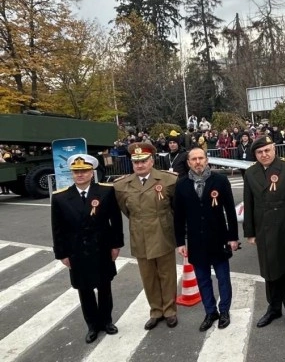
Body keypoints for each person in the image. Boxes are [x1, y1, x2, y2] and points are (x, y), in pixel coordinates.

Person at [51, 154, 124, 344]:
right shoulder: (60, 197)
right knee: (84, 290)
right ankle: (92, 325)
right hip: (77, 250)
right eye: (76, 172)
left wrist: (116, 245)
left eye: (84, 171)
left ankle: (106, 321)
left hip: (101, 247)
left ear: (92, 173)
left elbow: (115, 221)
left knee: (104, 286)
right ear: (72, 174)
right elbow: (57, 229)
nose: (80, 175)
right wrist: (62, 254)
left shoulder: (106, 192)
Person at [243, 136, 285, 330]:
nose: (264, 154)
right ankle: (273, 308)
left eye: (267, 150)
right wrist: (250, 232)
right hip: (264, 229)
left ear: (274, 149)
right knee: (269, 272)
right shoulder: (251, 173)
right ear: (255, 154)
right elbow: (249, 203)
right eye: (260, 152)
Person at [114, 142, 180, 330]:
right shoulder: (121, 185)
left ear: (152, 161)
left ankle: (169, 310)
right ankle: (156, 311)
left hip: (163, 232)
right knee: (148, 276)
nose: (140, 165)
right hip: (140, 234)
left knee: (167, 274)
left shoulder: (169, 180)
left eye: (143, 161)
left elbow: (176, 208)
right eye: (136, 162)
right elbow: (126, 210)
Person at [173, 147, 239, 332]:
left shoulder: (220, 180)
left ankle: (224, 310)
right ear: (188, 163)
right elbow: (178, 217)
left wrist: (233, 237)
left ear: (207, 159)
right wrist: (179, 242)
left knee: (223, 278)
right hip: (196, 241)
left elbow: (230, 211)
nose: (197, 162)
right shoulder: (182, 184)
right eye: (193, 159)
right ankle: (210, 312)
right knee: (203, 280)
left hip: (219, 238)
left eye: (201, 158)